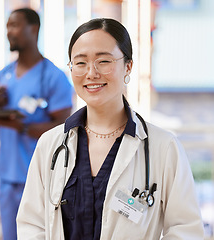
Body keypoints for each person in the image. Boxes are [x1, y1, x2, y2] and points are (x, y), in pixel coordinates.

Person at [17, 18, 204, 239]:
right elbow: (32, 225)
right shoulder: (51, 144)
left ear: (128, 66)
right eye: (80, 62)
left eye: (104, 61)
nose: (91, 73)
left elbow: (185, 230)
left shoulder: (163, 147)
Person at [0, 8, 74, 240]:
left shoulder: (53, 77)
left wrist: (22, 126)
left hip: (40, 179)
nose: (9, 32)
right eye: (7, 26)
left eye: (14, 26)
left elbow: (63, 128)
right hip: (7, 177)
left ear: (33, 29)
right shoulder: (3, 75)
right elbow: (0, 126)